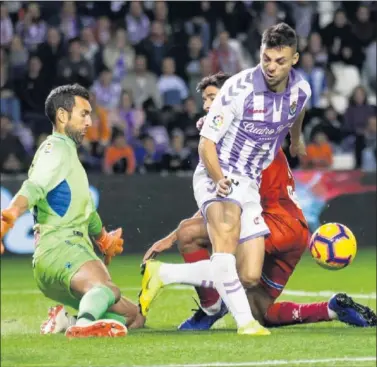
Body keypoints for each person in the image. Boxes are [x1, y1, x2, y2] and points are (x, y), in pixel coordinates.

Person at [140, 73, 376, 330]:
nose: (207, 105)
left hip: (272, 223)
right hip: (294, 231)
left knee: (192, 237)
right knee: (259, 310)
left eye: (212, 98)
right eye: (204, 100)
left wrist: (175, 236)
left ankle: (203, 304)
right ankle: (331, 308)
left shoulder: (241, 139)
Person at [140, 22, 311, 336]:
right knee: (224, 245)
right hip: (218, 172)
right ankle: (246, 324)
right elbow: (206, 144)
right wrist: (218, 179)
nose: (272, 67)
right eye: (266, 59)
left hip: (249, 181)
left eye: (280, 61)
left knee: (248, 274)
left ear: (295, 60)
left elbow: (297, 111)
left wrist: (295, 140)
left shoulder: (301, 89)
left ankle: (163, 274)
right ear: (260, 54)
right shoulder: (237, 89)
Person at [0, 84, 144, 338]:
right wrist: (9, 215)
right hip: (61, 247)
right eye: (84, 114)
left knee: (133, 317)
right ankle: (85, 324)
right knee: (106, 288)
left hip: (59, 258)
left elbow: (86, 212)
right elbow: (34, 187)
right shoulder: (55, 147)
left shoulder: (69, 155)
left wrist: (103, 238)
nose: (90, 121)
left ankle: (68, 320)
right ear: (63, 116)